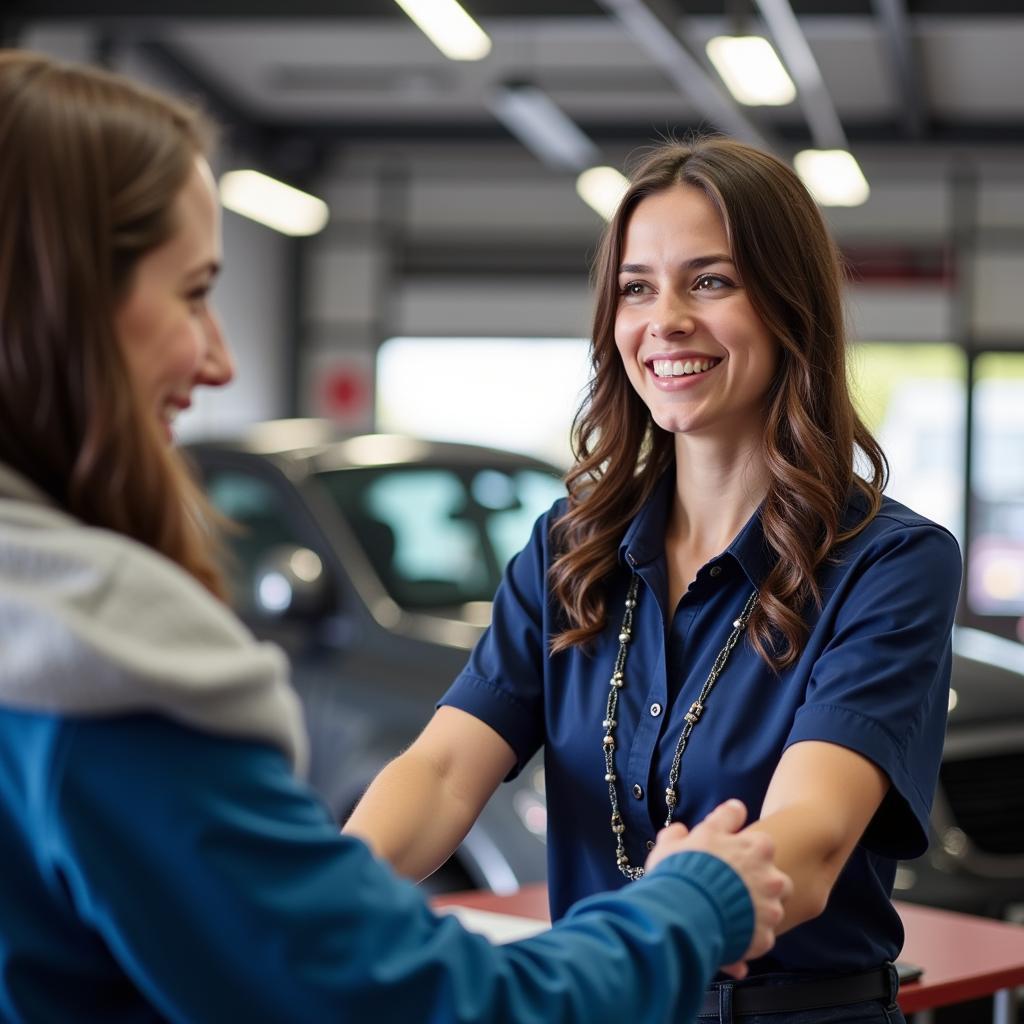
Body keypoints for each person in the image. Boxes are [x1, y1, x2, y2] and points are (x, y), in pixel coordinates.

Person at [0, 50, 792, 1024]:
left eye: (707, 280)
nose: (219, 357)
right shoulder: (96, 666)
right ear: (61, 304)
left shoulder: (888, 558)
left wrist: (316, 895)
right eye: (195, 290)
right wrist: (692, 901)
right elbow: (435, 992)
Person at [345, 138, 963, 1022]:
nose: (664, 319)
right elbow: (444, 771)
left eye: (710, 281)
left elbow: (814, 840)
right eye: (637, 287)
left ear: (790, 307)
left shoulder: (889, 563)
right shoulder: (570, 549)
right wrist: (317, 899)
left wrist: (688, 904)